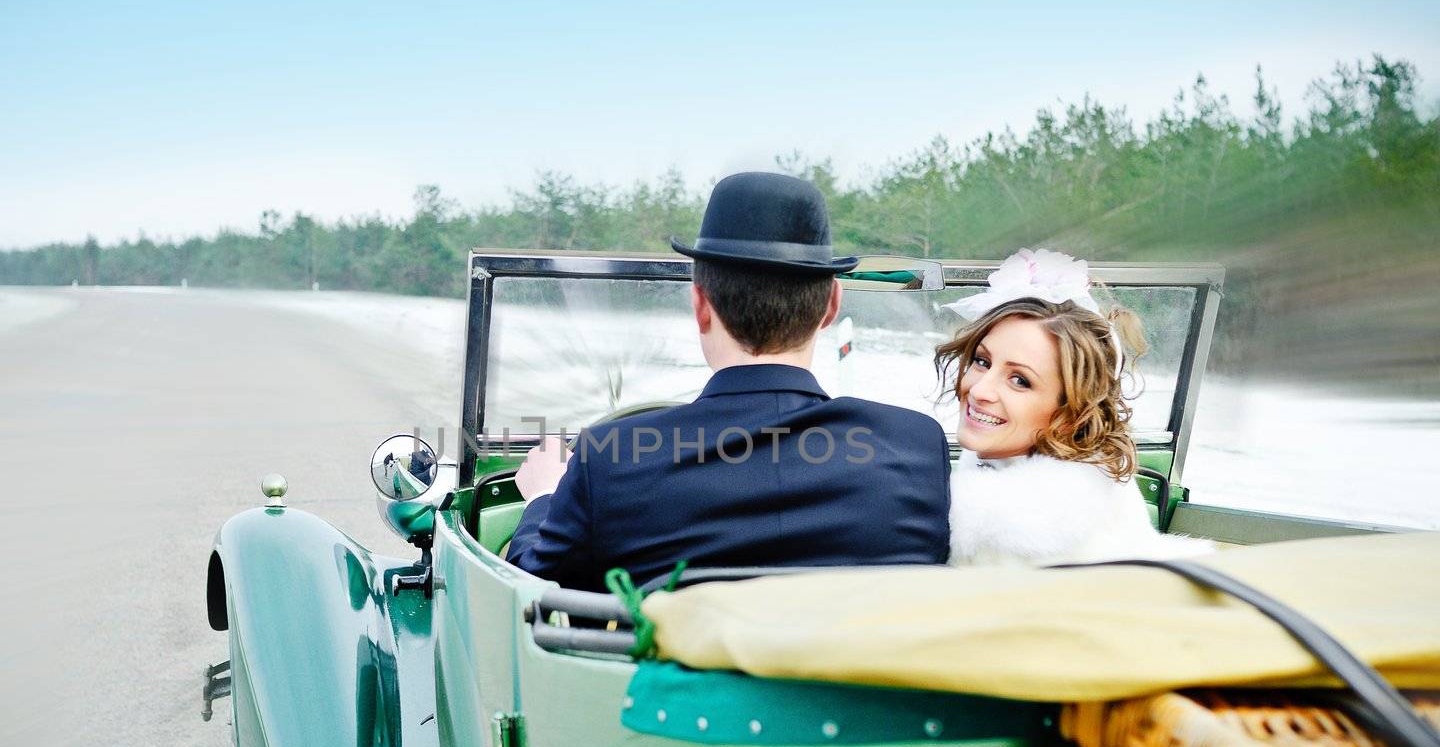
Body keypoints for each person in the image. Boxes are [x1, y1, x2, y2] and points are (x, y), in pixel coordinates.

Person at [506, 171, 951, 591]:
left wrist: (543, 496)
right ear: (832, 305)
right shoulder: (918, 447)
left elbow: (528, 592)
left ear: (699, 304)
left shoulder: (610, 458)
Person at [934, 248, 1209, 566]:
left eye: (1020, 381)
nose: (979, 390)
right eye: (982, 361)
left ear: (1071, 412)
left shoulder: (1013, 532)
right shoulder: (1090, 484)